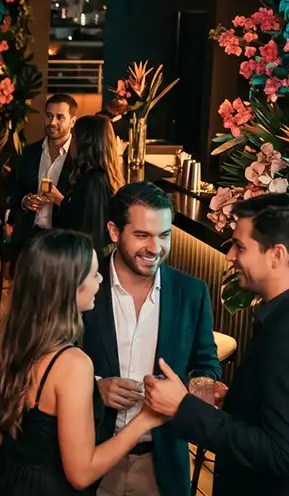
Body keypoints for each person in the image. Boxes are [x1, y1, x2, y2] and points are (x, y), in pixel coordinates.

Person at [143, 193, 289, 496]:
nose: (229, 256)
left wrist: (184, 408)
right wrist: (238, 401)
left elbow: (284, 456)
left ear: (276, 255)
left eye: (240, 246)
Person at [0, 230, 167, 494]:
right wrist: (146, 420)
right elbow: (81, 475)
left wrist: (33, 430)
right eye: (93, 274)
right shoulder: (72, 364)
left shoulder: (3, 334)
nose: (100, 280)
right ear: (68, 286)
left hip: (8, 476)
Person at [81, 182, 220, 496]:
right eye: (142, 235)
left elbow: (206, 365)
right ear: (114, 231)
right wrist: (94, 386)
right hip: (90, 454)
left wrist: (189, 393)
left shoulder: (191, 292)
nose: (156, 248)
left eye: (164, 235)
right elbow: (50, 358)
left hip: (161, 463)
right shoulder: (82, 284)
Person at [9, 94, 77, 256]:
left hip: (63, 242)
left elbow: (85, 208)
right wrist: (25, 201)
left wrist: (60, 200)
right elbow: (14, 191)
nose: (52, 122)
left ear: (73, 121)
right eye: (49, 116)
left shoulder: (79, 157)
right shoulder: (30, 152)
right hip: (29, 238)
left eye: (60, 117)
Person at [53, 115, 124, 253]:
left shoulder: (94, 180)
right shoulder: (93, 176)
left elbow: (89, 232)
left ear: (85, 143)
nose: (70, 142)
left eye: (73, 136)